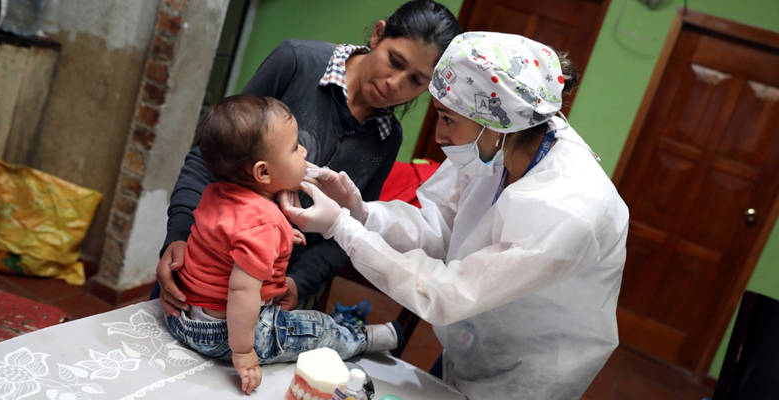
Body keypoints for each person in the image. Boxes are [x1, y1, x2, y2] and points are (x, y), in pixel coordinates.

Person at [280, 32, 629, 400]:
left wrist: (341, 228)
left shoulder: (568, 210)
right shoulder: (493, 146)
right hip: (470, 341)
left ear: (497, 123)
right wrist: (363, 212)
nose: (438, 134)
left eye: (447, 118)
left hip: (529, 373)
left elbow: (449, 292)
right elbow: (437, 229)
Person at [155, 0, 462, 315]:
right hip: (201, 263)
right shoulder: (297, 63)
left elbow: (350, 226)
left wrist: (300, 282)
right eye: (394, 61)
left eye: (416, 80)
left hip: (270, 294)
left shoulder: (387, 138)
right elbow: (209, 157)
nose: (394, 84)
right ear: (378, 35)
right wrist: (178, 235)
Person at [165, 94, 403, 395]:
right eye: (294, 148)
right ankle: (361, 338)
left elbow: (227, 240)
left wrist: (280, 237)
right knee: (316, 329)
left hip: (185, 318)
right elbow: (241, 290)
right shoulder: (263, 223)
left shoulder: (218, 191)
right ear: (263, 172)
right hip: (225, 331)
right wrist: (242, 352)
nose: (303, 151)